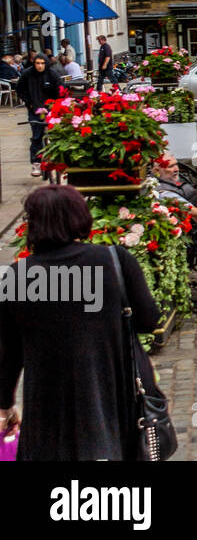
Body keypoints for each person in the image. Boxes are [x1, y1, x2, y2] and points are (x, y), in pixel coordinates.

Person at [0, 185, 161, 460]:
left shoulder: (16, 277)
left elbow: (9, 352)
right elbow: (148, 320)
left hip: (47, 404)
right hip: (110, 393)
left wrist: (5, 404)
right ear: (80, 218)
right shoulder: (115, 260)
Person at [17, 54, 61, 177]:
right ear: (34, 63)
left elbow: (60, 90)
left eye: (42, 63)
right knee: (36, 137)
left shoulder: (52, 74)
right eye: (37, 63)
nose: (40, 66)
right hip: (34, 110)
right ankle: (36, 163)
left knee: (55, 135)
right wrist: (29, 103)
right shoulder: (27, 74)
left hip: (51, 110)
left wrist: (55, 105)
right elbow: (19, 89)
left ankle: (56, 160)